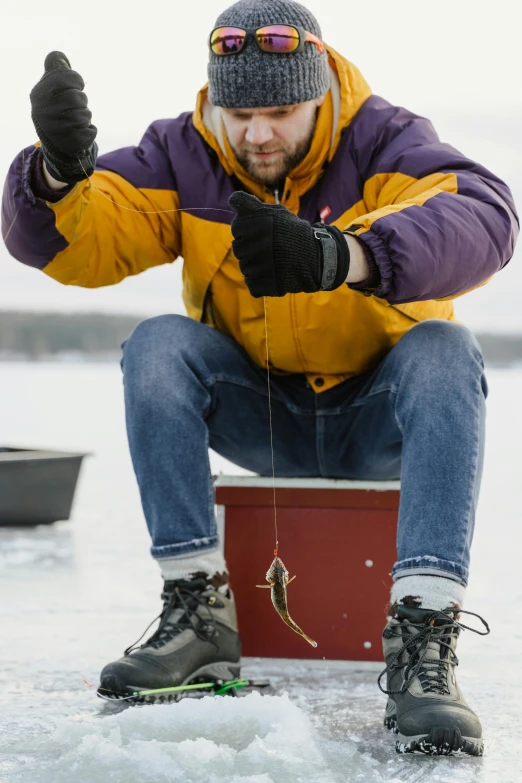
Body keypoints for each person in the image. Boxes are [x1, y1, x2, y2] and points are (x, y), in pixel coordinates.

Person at [2, 0, 518, 757]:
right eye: (241, 112)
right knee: (156, 343)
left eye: (281, 110)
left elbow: (485, 218)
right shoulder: (184, 150)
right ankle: (198, 614)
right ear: (218, 102)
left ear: (322, 95)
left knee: (446, 347)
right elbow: (81, 239)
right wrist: (56, 177)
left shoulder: (384, 138)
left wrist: (342, 254)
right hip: (261, 410)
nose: (258, 133)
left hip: (378, 414)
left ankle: (423, 640)